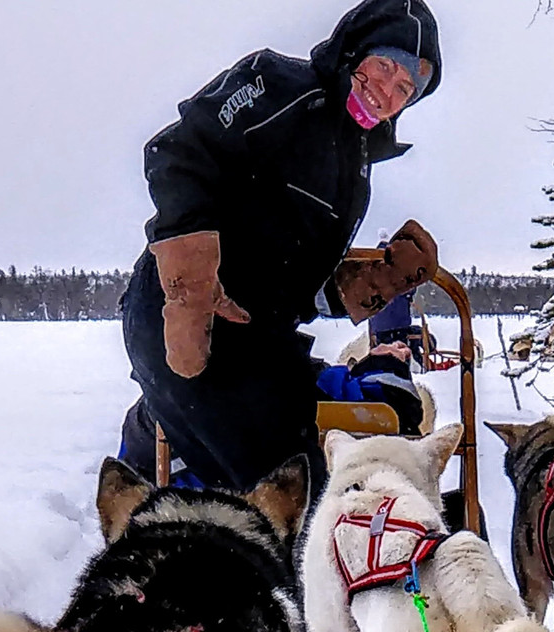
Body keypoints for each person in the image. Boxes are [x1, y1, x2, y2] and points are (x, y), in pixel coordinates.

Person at [117, 0, 442, 497]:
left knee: (304, 482)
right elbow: (178, 151)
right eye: (385, 66)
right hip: (180, 321)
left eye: (405, 89)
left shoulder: (354, 168)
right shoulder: (279, 86)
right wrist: (190, 290)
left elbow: (292, 288)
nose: (388, 91)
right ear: (356, 51)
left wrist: (377, 283)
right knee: (290, 493)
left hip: (260, 342)